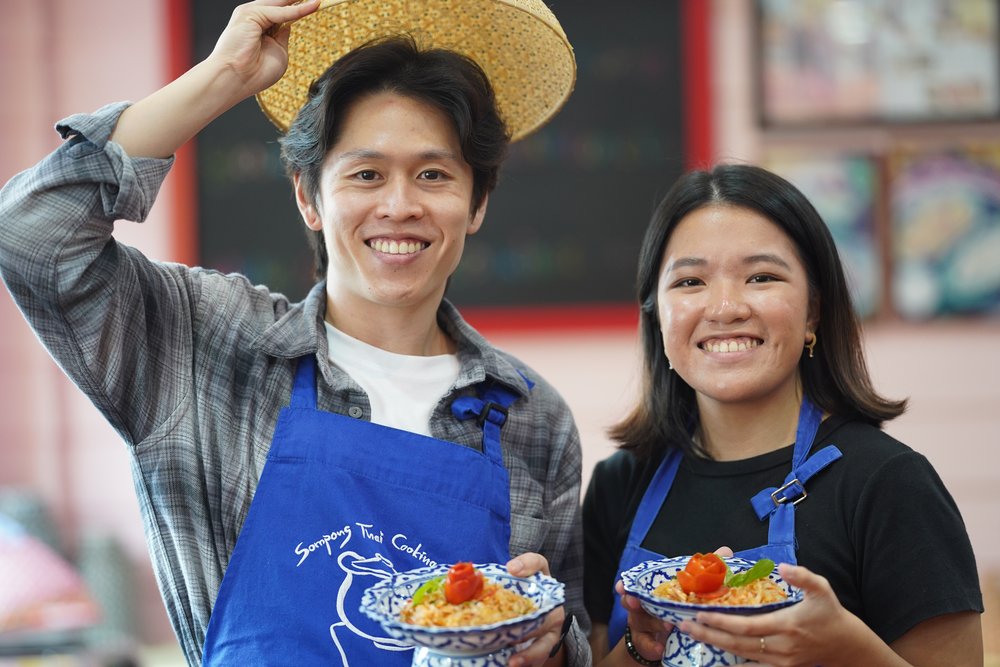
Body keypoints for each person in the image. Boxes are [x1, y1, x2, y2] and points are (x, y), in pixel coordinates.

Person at [0, 1, 590, 665]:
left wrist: (552, 646)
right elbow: (32, 235)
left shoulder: (532, 416)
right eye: (366, 174)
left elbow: (567, 626)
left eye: (434, 174)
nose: (399, 205)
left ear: (476, 202)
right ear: (308, 197)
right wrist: (222, 75)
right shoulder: (205, 344)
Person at [583, 164, 984, 666]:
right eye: (690, 281)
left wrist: (847, 648)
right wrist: (642, 648)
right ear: (657, 314)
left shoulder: (889, 484)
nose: (725, 307)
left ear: (813, 310)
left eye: (762, 277)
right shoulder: (619, 486)